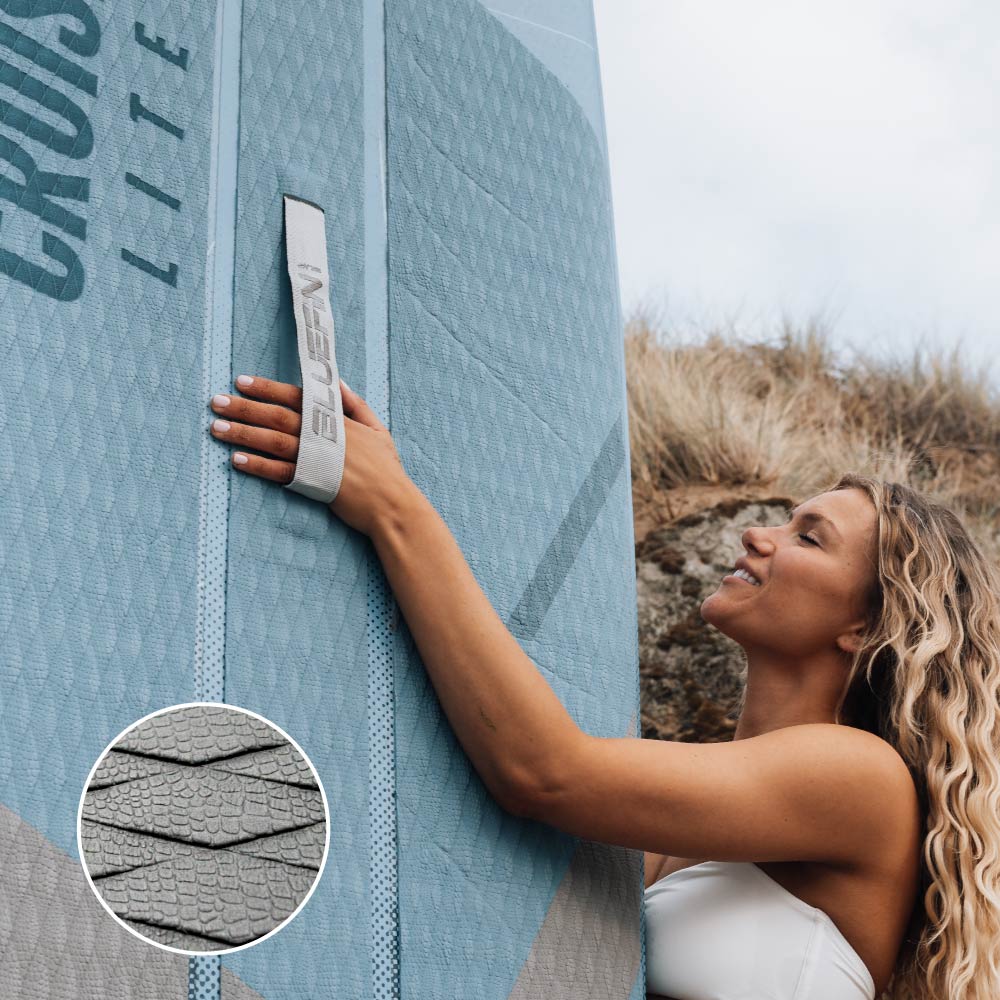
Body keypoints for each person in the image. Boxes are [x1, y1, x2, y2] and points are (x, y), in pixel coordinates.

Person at [208, 374, 1000, 999]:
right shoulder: (685, 822)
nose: (758, 532)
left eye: (808, 537)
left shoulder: (861, 781)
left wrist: (394, 507)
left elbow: (544, 770)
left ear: (861, 628)